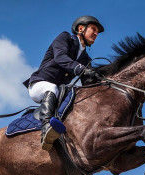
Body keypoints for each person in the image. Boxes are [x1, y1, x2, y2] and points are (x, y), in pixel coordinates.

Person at [23, 15, 104, 151]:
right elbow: (61, 58)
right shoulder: (65, 37)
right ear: (81, 28)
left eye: (97, 32)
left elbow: (88, 83)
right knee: (52, 88)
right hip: (39, 84)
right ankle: (46, 128)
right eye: (93, 29)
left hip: (58, 91)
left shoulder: (86, 58)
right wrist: (81, 69)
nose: (96, 33)